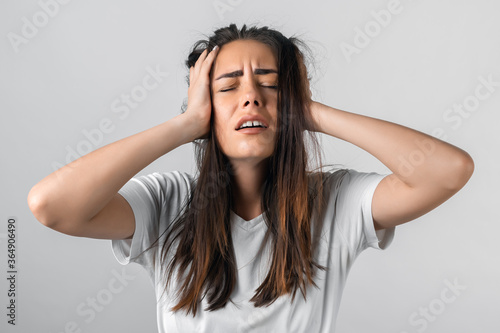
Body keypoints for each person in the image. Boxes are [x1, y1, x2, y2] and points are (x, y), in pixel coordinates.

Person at [27, 23, 474, 332]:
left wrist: (311, 112)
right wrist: (184, 125)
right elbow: (51, 205)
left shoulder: (334, 201)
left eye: (270, 83)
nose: (251, 99)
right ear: (205, 107)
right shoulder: (167, 201)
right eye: (227, 87)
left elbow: (448, 171)